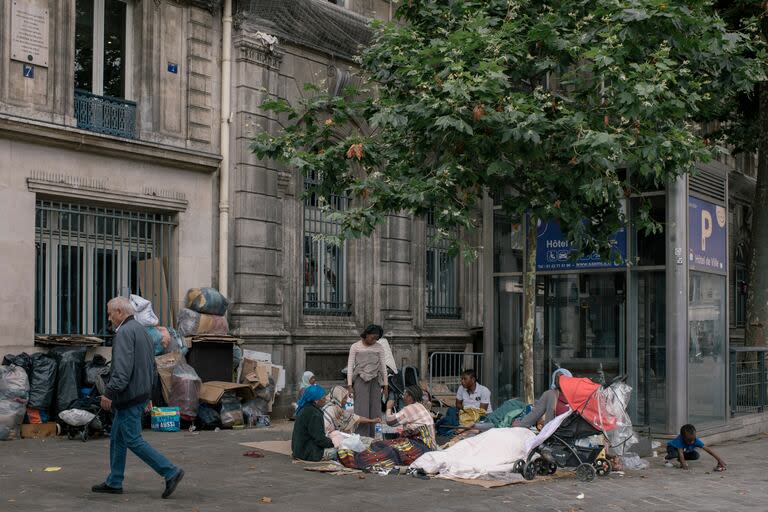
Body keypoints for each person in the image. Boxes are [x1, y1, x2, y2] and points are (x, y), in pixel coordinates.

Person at [92, 297, 184, 499]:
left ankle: (170, 471)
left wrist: (109, 393)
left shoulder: (124, 332)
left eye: (110, 313)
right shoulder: (142, 330)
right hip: (139, 394)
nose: (109, 318)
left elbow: (122, 371)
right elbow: (151, 367)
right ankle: (114, 481)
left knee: (133, 440)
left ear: (119, 312)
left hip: (129, 396)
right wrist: (148, 395)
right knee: (117, 438)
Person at [346, 324, 388, 437]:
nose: (374, 340)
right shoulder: (355, 346)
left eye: (377, 338)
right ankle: (361, 436)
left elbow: (383, 367)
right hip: (361, 380)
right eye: (373, 337)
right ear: (367, 334)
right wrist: (350, 385)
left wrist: (386, 385)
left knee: (375, 408)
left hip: (375, 380)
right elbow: (350, 366)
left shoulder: (379, 347)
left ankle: (374, 436)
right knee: (361, 409)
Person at [292, 384, 336, 461]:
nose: (325, 399)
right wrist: (334, 443)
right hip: (309, 453)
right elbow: (320, 439)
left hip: (298, 451)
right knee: (342, 451)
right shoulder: (314, 414)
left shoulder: (305, 408)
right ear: (316, 400)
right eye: (323, 398)